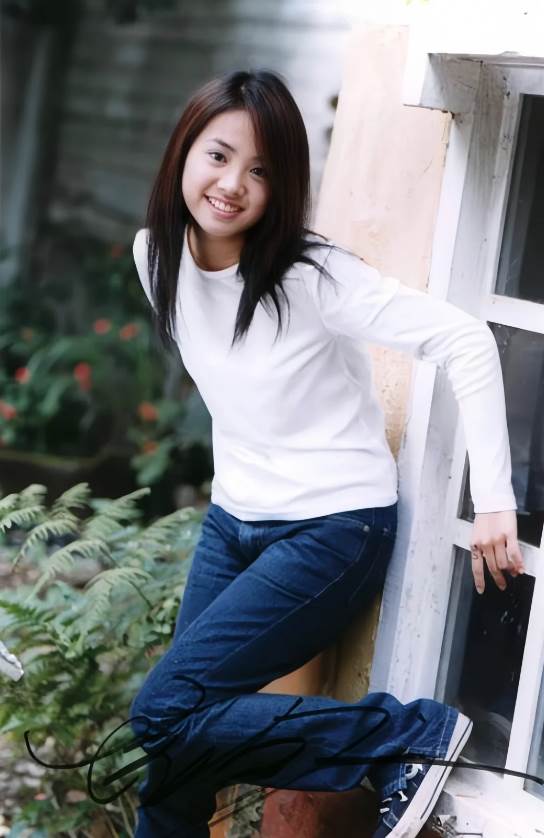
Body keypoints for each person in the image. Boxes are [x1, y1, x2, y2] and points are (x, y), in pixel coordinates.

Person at [129, 69, 524, 838]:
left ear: (283, 188)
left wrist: (494, 499)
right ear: (183, 149)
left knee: (163, 713)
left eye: (260, 171)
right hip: (232, 523)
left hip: (333, 530)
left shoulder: (310, 277)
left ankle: (405, 736)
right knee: (174, 758)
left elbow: (465, 339)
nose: (232, 185)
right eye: (218, 156)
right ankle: (394, 742)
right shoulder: (157, 258)